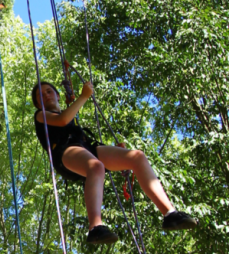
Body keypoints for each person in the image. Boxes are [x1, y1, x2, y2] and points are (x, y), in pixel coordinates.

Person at [32, 81, 197, 244]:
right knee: (96, 166)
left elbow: (68, 118)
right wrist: (83, 97)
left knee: (137, 157)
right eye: (40, 95)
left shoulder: (69, 114)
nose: (45, 95)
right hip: (65, 152)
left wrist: (117, 151)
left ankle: (170, 213)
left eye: (48, 91)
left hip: (86, 147)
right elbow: (62, 120)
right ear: (38, 103)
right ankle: (95, 227)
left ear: (58, 95)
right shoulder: (40, 115)